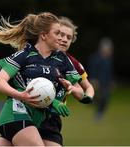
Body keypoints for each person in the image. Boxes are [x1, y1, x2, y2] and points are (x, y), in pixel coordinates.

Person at [0, 12, 84, 146]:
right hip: (16, 113)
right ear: (43, 35)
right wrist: (21, 95)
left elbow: (81, 92)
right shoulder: (24, 55)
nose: (62, 38)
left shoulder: (63, 59)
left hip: (39, 119)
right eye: (57, 33)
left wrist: (71, 88)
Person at [37, 16, 95, 146]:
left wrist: (86, 96)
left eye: (69, 37)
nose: (64, 39)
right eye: (61, 34)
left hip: (51, 118)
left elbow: (87, 88)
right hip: (29, 111)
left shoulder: (72, 63)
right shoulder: (35, 54)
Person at [88, 37, 114, 120]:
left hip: (106, 83)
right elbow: (92, 69)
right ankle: (96, 108)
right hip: (97, 82)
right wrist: (93, 79)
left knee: (105, 98)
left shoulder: (109, 60)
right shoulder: (96, 59)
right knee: (98, 97)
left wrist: (111, 82)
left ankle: (99, 113)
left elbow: (110, 72)